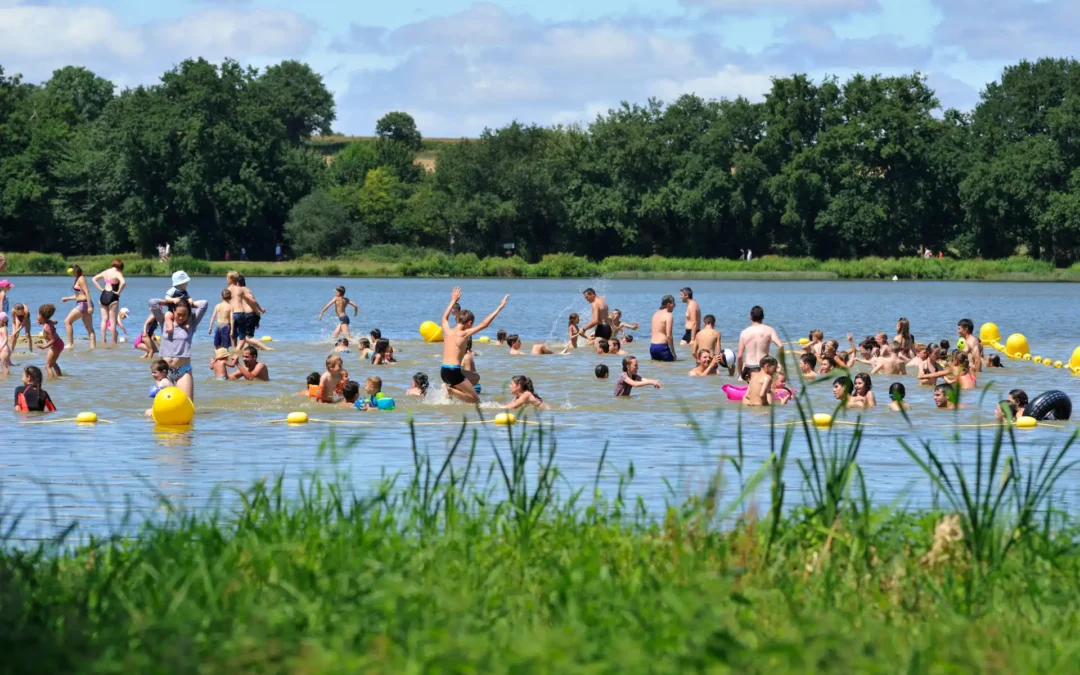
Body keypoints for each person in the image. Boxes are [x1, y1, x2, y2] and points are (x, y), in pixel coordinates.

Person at [441, 286, 508, 403]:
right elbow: (484, 324)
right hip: (454, 371)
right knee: (476, 401)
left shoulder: (448, 330)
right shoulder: (464, 333)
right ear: (470, 322)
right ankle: (450, 390)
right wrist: (500, 308)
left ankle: (453, 392)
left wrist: (453, 300)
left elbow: (444, 318)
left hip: (444, 371)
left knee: (476, 377)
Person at [149, 296, 209, 401]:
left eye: (184, 315)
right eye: (179, 314)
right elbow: (153, 302)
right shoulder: (164, 322)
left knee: (187, 404)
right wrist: (171, 302)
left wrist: (190, 303)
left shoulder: (191, 324)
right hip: (164, 372)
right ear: (173, 311)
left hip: (183, 371)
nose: (181, 318)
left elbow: (204, 303)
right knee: (164, 405)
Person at [735, 305, 782, 382]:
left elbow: (740, 356)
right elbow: (780, 346)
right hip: (764, 367)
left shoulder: (744, 332)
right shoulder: (770, 330)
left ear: (750, 317)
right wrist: (777, 364)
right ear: (763, 317)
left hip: (749, 368)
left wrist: (740, 374)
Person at [61, 264, 97, 350]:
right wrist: (68, 298)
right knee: (89, 327)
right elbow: (79, 295)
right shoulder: (77, 279)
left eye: (72, 272)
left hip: (83, 304)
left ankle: (70, 344)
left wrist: (89, 306)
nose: (71, 274)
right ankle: (93, 348)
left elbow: (87, 292)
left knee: (67, 322)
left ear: (75, 271)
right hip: (83, 303)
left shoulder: (81, 279)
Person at [92, 259, 126, 346]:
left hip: (103, 295)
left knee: (104, 320)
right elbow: (123, 282)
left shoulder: (106, 272)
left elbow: (94, 279)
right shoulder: (118, 273)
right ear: (120, 267)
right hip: (113, 296)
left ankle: (103, 340)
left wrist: (100, 289)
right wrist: (118, 292)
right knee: (113, 321)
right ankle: (114, 342)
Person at [36, 304, 64, 377]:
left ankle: (52, 380)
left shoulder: (46, 328)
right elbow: (55, 322)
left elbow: (53, 340)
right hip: (59, 343)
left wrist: (44, 346)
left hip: (55, 345)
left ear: (42, 316)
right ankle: (59, 376)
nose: (37, 315)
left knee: (48, 366)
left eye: (38, 314)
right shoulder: (49, 322)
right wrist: (42, 322)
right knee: (53, 363)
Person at [649, 295, 677, 362]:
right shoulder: (668, 315)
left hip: (652, 347)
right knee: (670, 368)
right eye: (673, 303)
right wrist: (673, 352)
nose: (675, 305)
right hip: (662, 347)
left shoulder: (655, 314)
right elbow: (669, 336)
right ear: (668, 304)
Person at [0, 311, 10, 376]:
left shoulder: (3, 328)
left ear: (1, 321)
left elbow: (6, 339)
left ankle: (7, 378)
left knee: (4, 366)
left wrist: (1, 347)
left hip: (4, 349)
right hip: (1, 349)